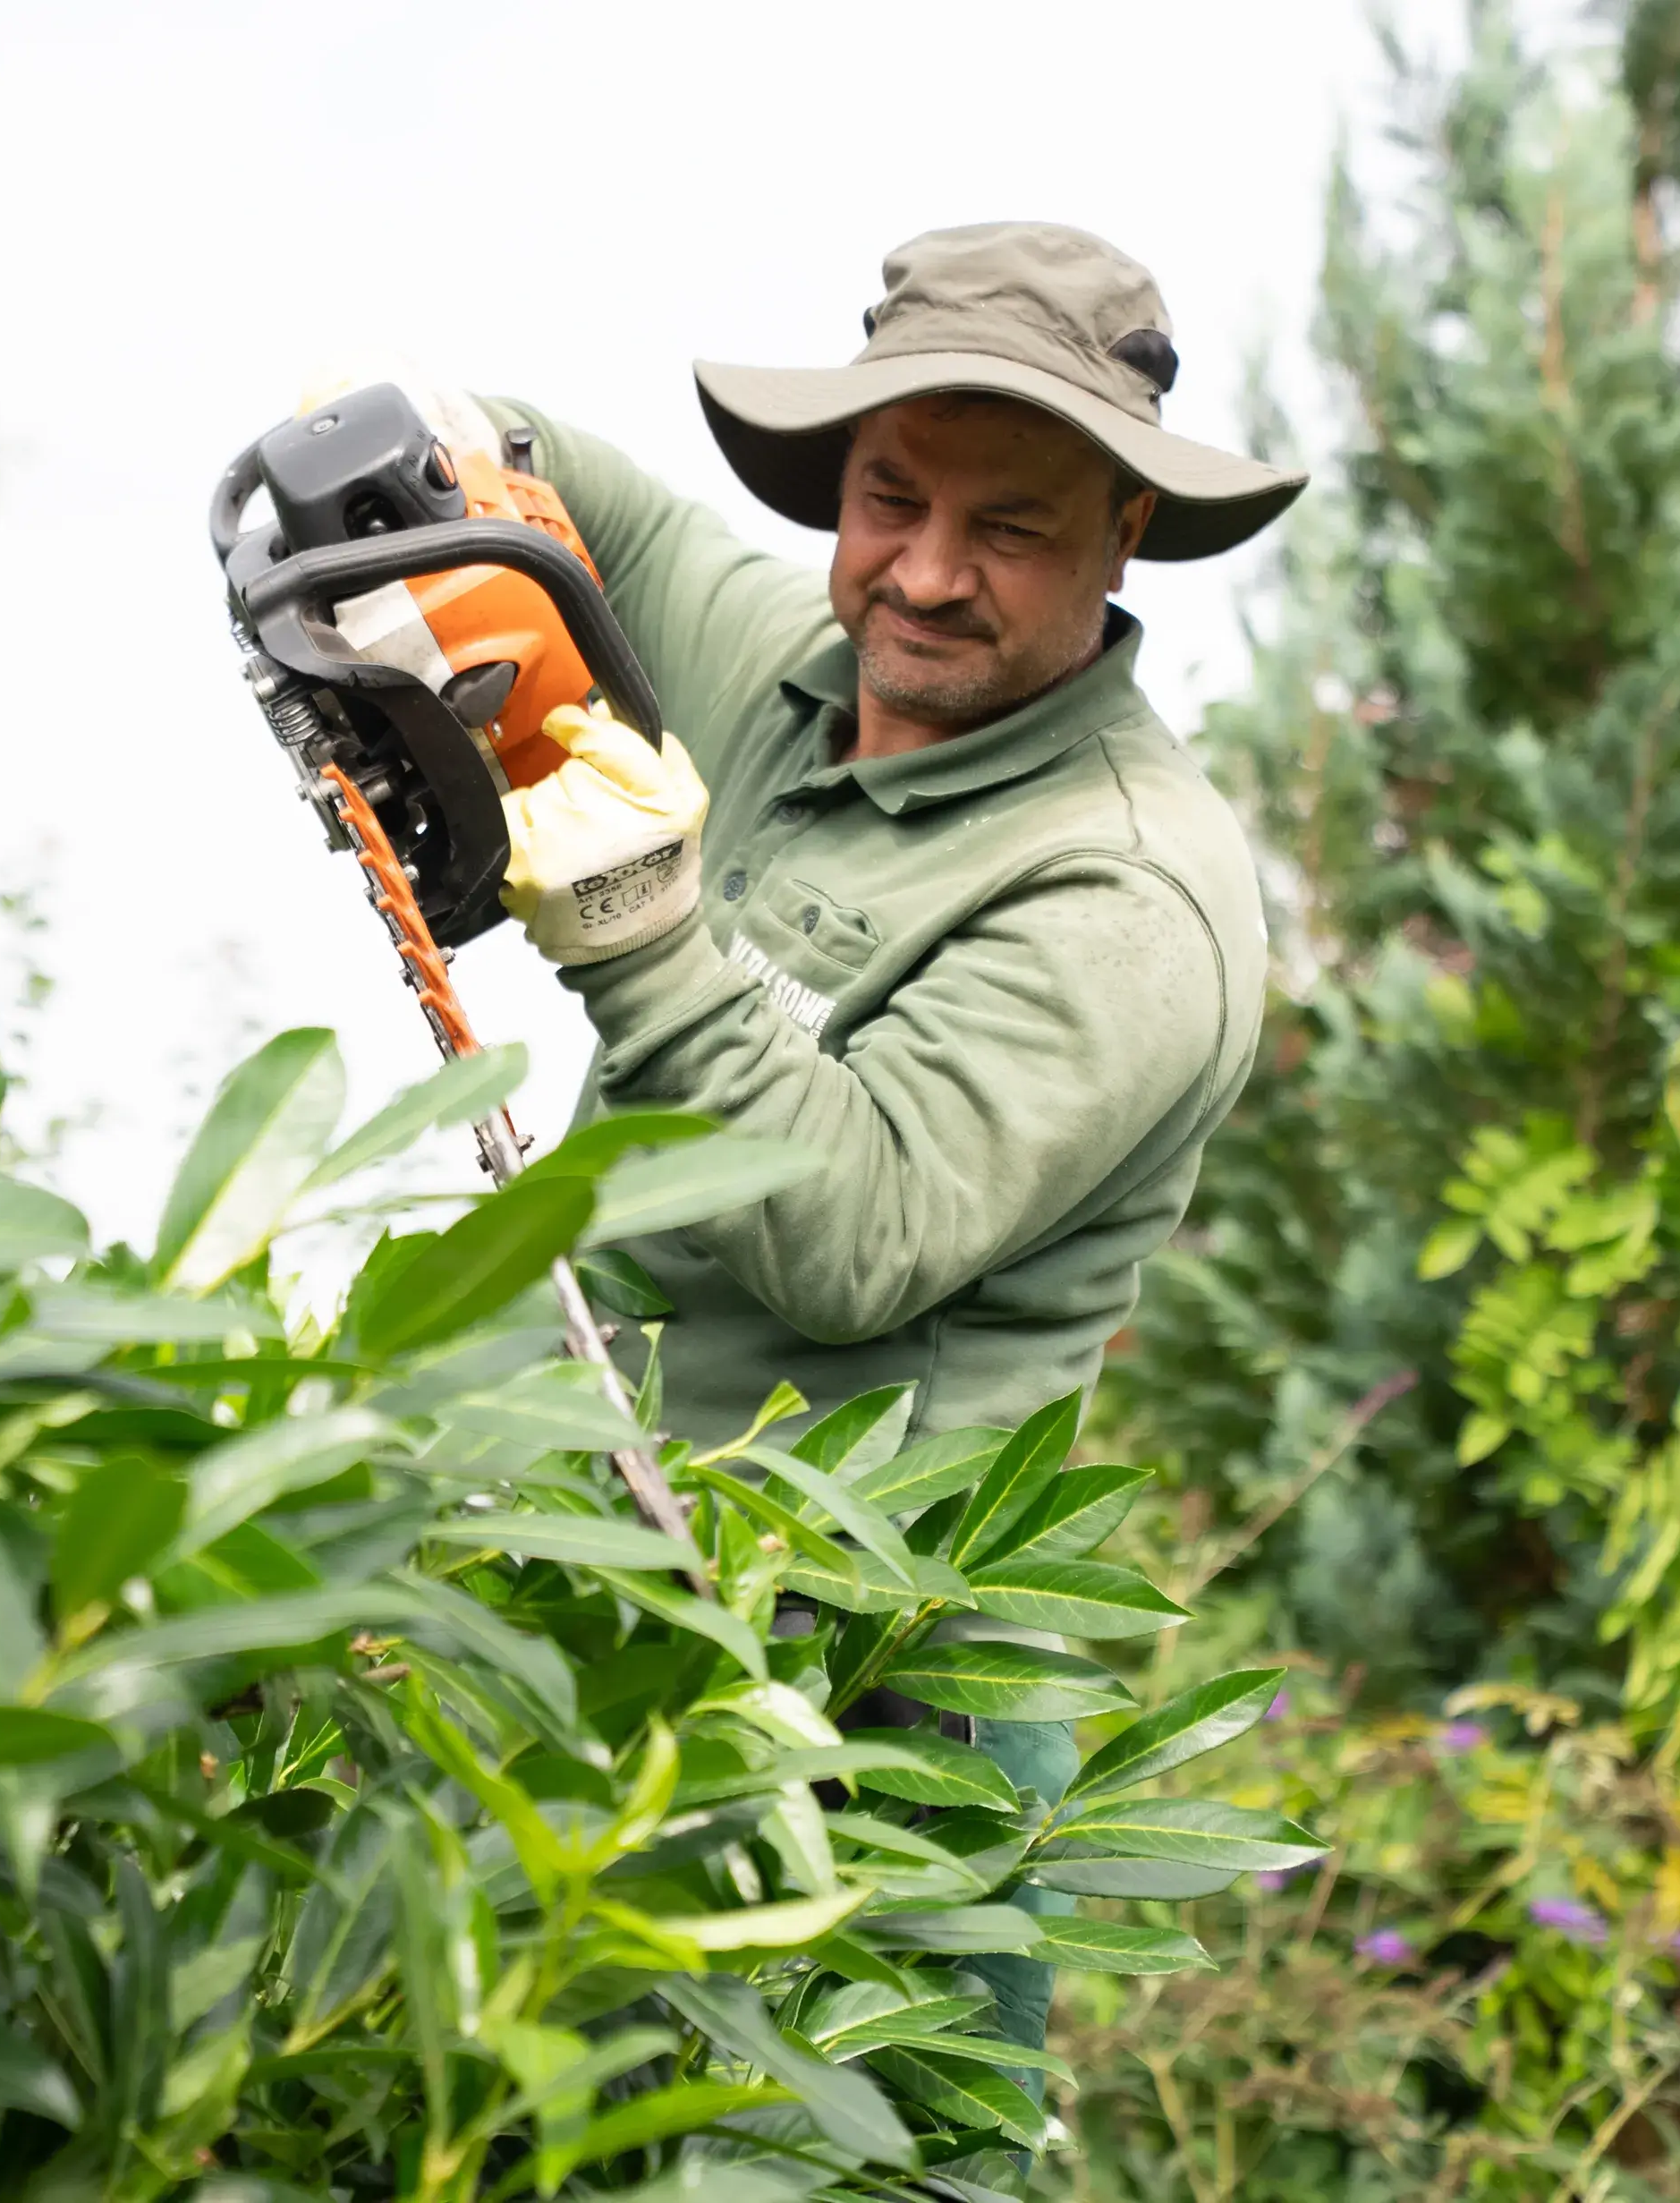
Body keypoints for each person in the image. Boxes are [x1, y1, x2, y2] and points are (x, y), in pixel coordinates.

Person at [485, 220, 1303, 2086]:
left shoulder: (1133, 890)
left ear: (1126, 534)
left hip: (860, 1706)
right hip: (575, 1595)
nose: (923, 576)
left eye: (1006, 526)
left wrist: (633, 923)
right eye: (886, 498)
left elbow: (851, 1234)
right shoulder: (790, 662)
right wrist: (405, 460)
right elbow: (552, 482)